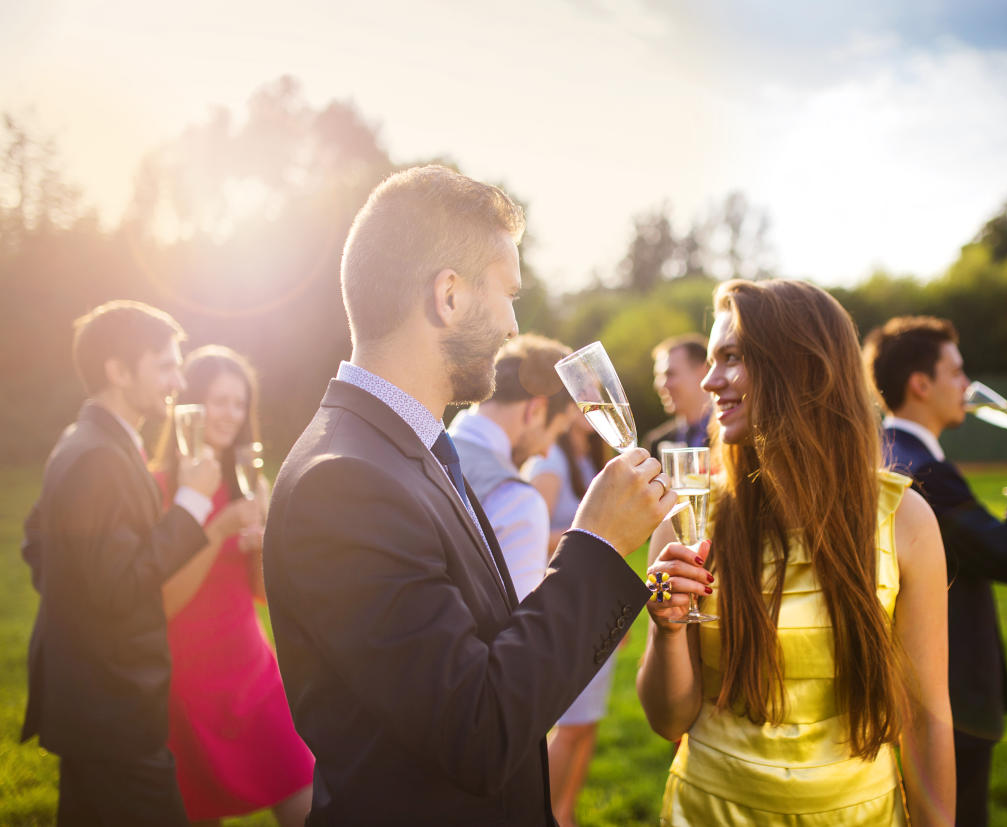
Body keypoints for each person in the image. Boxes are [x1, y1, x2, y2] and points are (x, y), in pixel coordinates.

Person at [262, 164, 673, 825]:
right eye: (508, 293)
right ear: (448, 296)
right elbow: (477, 731)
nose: (514, 326)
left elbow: (477, 648)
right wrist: (596, 547)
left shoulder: (408, 447)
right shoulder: (345, 481)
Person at [637, 279, 955, 825]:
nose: (709, 381)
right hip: (710, 811)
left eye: (731, 357)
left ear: (802, 367)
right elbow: (669, 721)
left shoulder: (905, 520)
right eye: (711, 360)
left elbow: (925, 719)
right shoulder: (689, 521)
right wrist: (668, 630)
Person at [20, 300, 229, 825]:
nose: (178, 381)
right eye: (164, 366)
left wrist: (73, 596)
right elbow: (119, 584)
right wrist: (192, 505)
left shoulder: (89, 441)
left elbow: (38, 543)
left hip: (95, 701)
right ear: (117, 370)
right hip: (112, 705)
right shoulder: (96, 455)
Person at [862, 316, 1007, 827]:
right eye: (956, 372)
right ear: (920, 384)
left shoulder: (884, 453)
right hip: (944, 696)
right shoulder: (920, 470)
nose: (967, 386)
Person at [150, 345, 313, 826]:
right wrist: (218, 529)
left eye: (238, 403)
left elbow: (262, 593)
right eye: (218, 401)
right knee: (197, 811)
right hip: (187, 677)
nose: (229, 414)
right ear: (192, 407)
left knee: (306, 795)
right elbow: (164, 602)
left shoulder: (253, 484)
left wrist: (261, 547)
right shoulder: (161, 486)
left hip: (251, 668)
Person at [528, 412, 615, 827]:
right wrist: (598, 534)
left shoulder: (592, 458)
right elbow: (530, 532)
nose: (597, 409)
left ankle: (567, 815)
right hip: (569, 606)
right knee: (572, 725)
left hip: (598, 598)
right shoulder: (551, 463)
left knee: (588, 724)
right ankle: (541, 816)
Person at [449, 333, 575, 599]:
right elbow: (521, 635)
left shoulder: (419, 450)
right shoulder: (516, 502)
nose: (545, 451)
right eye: (555, 433)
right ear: (536, 410)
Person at [642, 333, 712, 453]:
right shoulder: (656, 443)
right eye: (657, 377)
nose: (659, 385)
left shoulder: (734, 435)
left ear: (703, 372)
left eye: (670, 374)